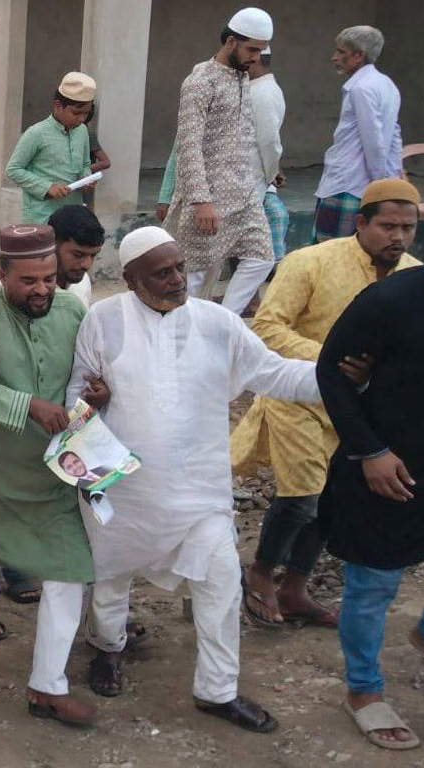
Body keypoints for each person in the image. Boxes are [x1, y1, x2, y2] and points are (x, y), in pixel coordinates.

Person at [71, 225, 319, 733]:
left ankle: (217, 689)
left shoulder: (216, 322)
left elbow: (272, 372)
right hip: (123, 486)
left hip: (200, 489)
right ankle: (107, 647)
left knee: (221, 579)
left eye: (180, 267)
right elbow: (76, 393)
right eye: (162, 273)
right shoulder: (103, 319)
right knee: (112, 574)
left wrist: (335, 378)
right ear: (131, 279)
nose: (177, 279)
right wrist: (89, 407)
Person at [232, 178, 421, 628]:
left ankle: (295, 589)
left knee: (332, 500)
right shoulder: (310, 262)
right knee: (303, 497)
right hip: (297, 396)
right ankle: (260, 574)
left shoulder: (415, 278)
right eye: (388, 226)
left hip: (356, 411)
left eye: (407, 228)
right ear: (361, 223)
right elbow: (267, 328)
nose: (398, 237)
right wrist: (332, 361)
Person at [0, 224, 97, 726]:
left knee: (70, 571)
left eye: (49, 278)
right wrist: (26, 404)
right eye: (28, 281)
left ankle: (48, 685)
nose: (42, 289)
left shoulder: (73, 311)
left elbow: (86, 373)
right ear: (1, 274)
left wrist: (97, 393)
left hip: (53, 475)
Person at [313, 208, 424, 751]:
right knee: (374, 582)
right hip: (389, 465)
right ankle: (364, 690)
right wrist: (369, 451)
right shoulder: (392, 299)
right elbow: (332, 373)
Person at [164, 7, 275, 314]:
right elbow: (188, 146)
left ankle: (224, 319)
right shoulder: (201, 82)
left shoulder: (242, 78)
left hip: (244, 195)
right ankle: (188, 327)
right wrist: (201, 201)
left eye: (261, 51)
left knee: (262, 258)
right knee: (195, 276)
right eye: (252, 49)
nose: (256, 57)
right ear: (230, 42)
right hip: (208, 198)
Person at [313, 26, 403, 243]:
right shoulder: (387, 85)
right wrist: (392, 177)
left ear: (359, 55)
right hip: (365, 187)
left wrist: (379, 183)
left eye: (341, 52)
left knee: (330, 254)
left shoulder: (361, 88)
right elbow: (394, 135)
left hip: (348, 185)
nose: (335, 58)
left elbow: (373, 141)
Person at [6, 72, 98, 224]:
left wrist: (86, 178)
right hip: (42, 217)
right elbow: (13, 170)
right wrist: (47, 187)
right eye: (76, 113)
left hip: (73, 215)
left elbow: (84, 164)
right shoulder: (36, 133)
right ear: (58, 106)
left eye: (86, 114)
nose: (81, 119)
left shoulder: (82, 131)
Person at [0, 203, 104, 308]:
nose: (87, 265)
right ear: (52, 244)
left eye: (93, 256)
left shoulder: (81, 283)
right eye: (78, 255)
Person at [249, 47, 288, 261]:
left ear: (254, 60)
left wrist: (272, 172)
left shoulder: (264, 93)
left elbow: (269, 141)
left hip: (254, 184)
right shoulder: (255, 88)